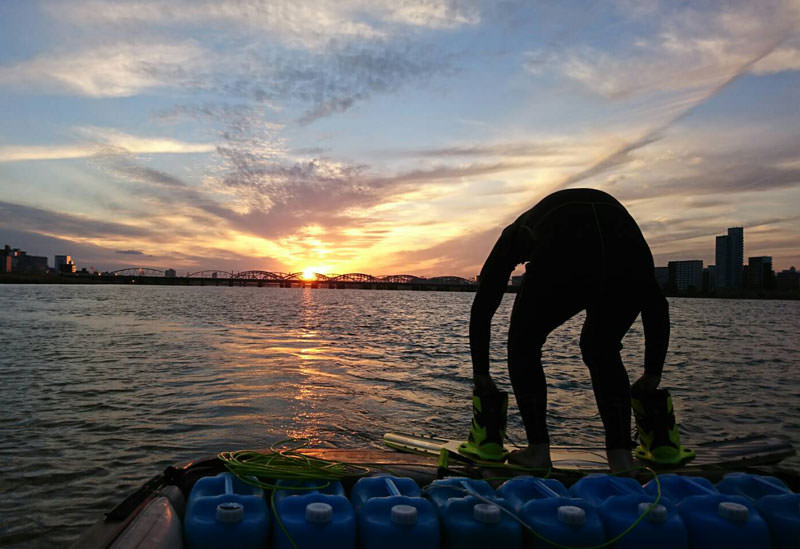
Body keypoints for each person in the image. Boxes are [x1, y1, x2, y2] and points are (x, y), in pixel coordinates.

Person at [469, 188, 669, 472]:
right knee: (601, 349)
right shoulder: (628, 238)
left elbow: (484, 305)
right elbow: (656, 305)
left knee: (524, 345)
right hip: (626, 256)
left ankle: (538, 452)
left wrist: (481, 373)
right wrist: (652, 372)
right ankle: (622, 459)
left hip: (565, 248)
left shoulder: (514, 234)